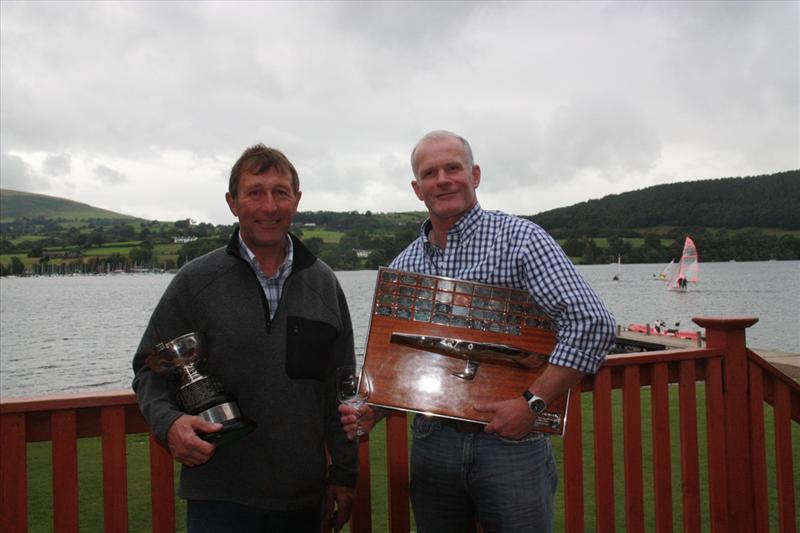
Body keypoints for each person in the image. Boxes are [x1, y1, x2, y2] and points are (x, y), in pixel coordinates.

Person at [340, 130, 616, 533]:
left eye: (453, 167)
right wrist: (374, 410)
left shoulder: (521, 240)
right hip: (432, 443)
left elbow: (593, 323)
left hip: (510, 445)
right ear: (418, 189)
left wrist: (532, 404)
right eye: (430, 173)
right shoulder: (404, 265)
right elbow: (401, 362)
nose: (443, 179)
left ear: (475, 174)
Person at [132, 144, 358, 533]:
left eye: (280, 192)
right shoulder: (196, 281)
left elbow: (341, 388)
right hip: (218, 495)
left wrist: (344, 472)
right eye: (255, 192)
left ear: (297, 200)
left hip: (303, 498)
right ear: (232, 202)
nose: (269, 206)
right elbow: (149, 369)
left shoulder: (324, 284)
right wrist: (168, 424)